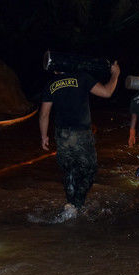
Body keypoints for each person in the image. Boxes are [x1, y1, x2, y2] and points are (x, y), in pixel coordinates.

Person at [39, 60, 120, 218]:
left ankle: (69, 205)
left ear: (56, 70)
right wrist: (115, 75)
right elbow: (107, 92)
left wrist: (44, 136)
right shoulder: (82, 77)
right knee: (89, 170)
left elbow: (44, 114)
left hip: (62, 134)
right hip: (81, 134)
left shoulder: (51, 84)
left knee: (69, 169)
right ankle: (77, 203)